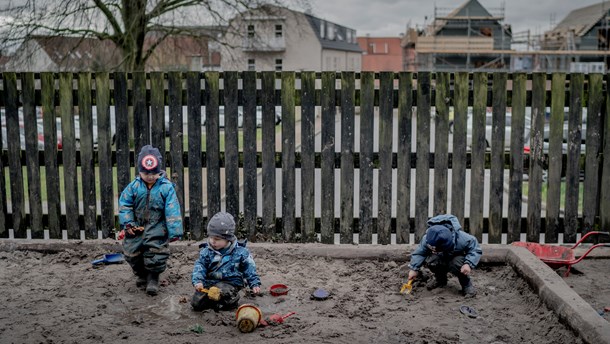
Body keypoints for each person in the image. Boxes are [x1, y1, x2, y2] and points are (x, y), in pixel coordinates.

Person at [119, 145, 183, 296]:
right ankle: (141, 274)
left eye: (153, 173)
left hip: (157, 225)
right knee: (131, 252)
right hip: (136, 226)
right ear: (139, 170)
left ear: (159, 171)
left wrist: (174, 230)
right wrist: (128, 223)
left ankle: (153, 277)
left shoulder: (166, 188)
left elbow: (172, 209)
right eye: (145, 172)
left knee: (156, 253)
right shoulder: (133, 187)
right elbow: (125, 204)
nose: (149, 176)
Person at [191, 212, 261, 311]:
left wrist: (254, 283)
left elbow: (249, 268)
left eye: (217, 239)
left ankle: (230, 301)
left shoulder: (240, 253)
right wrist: (198, 281)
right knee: (196, 303)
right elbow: (200, 266)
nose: (212, 241)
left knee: (225, 295)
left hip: (230, 282)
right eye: (211, 237)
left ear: (228, 239)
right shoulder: (207, 252)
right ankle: (215, 303)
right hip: (210, 283)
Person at [406, 214, 482, 297]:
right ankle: (440, 280)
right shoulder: (428, 238)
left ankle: (466, 285)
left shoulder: (462, 239)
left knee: (457, 263)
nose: (433, 250)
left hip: (456, 258)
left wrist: (468, 264)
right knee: (432, 260)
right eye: (432, 248)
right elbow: (420, 253)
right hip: (440, 258)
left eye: (436, 249)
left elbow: (475, 249)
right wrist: (414, 269)